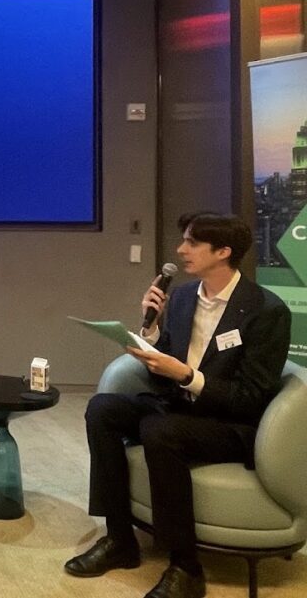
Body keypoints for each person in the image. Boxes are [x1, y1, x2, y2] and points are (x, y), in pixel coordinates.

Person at [65, 212, 291, 598]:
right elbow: (163, 368)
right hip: (179, 407)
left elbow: (250, 396)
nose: (180, 250)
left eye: (192, 243)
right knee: (102, 409)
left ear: (223, 252)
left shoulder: (266, 310)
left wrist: (187, 376)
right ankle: (120, 540)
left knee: (160, 429)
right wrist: (149, 332)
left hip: (230, 424)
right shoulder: (184, 297)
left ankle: (186, 567)